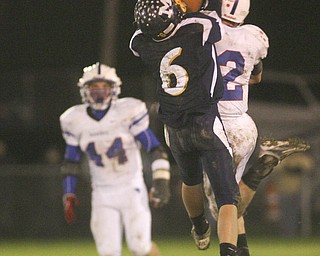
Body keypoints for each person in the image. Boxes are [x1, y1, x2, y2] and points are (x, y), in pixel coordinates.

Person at [189, 1, 310, 255]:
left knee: (222, 204)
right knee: (229, 195)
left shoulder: (204, 27)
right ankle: (243, 250)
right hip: (243, 124)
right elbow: (256, 77)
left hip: (215, 124)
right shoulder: (253, 37)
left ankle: (255, 175)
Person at [130, 1, 240, 255]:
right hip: (204, 119)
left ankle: (199, 227)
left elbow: (146, 31)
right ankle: (228, 250)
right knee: (227, 197)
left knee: (190, 180)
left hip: (173, 125)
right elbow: (210, 19)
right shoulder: (199, 25)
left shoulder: (140, 42)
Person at [59, 63, 171, 256]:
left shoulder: (127, 111)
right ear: (85, 90)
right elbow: (71, 163)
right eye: (94, 87)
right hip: (102, 192)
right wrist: (68, 192)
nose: (99, 92)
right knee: (108, 252)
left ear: (114, 88)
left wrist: (161, 181)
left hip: (132, 188)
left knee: (140, 248)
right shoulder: (73, 119)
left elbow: (155, 148)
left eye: (104, 86)